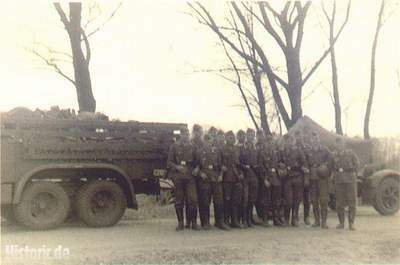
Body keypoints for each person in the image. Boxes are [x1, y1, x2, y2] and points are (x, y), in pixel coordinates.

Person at [195, 129, 230, 230]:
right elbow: (195, 166)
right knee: (205, 201)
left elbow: (221, 165)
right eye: (206, 141)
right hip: (205, 179)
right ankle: (205, 222)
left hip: (216, 178)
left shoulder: (217, 151)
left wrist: (221, 175)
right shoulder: (199, 152)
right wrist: (200, 173)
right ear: (204, 141)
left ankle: (219, 221)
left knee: (219, 201)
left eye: (210, 141)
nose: (208, 143)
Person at [167, 128, 199, 231]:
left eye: (187, 134)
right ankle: (180, 222)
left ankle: (193, 222)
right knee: (179, 200)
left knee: (192, 200)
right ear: (181, 135)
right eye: (184, 134)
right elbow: (169, 162)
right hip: (178, 176)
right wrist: (177, 167)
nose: (186, 136)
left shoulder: (193, 147)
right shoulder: (174, 147)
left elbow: (198, 162)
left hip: (190, 176)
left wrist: (197, 169)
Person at [330, 137, 359, 231]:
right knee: (339, 203)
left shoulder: (350, 153)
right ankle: (341, 222)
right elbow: (331, 167)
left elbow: (357, 165)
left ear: (344, 144)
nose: (339, 146)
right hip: (339, 181)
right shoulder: (334, 155)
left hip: (350, 180)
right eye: (337, 144)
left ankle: (351, 223)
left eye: (340, 144)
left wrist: (354, 175)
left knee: (352, 202)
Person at [308, 131, 332, 229]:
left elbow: (331, 161)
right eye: (313, 140)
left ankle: (324, 222)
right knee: (314, 200)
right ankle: (317, 221)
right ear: (311, 141)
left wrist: (327, 170)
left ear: (319, 140)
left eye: (316, 139)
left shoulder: (325, 150)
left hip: (322, 177)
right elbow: (304, 162)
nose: (315, 141)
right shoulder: (308, 151)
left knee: (323, 200)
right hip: (312, 177)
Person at [281, 134, 306, 227]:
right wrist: (282, 167)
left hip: (297, 177)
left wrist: (298, 166)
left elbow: (304, 162)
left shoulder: (298, 151)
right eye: (287, 141)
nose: (289, 143)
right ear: (285, 142)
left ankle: (294, 218)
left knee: (297, 199)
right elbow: (279, 162)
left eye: (291, 141)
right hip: (287, 178)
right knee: (288, 200)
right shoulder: (282, 152)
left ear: (293, 141)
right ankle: (286, 218)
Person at [221, 131, 243, 228]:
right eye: (229, 137)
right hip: (226, 178)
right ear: (226, 138)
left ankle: (234, 220)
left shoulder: (237, 149)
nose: (231, 139)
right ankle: (226, 220)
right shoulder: (222, 149)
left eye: (232, 137)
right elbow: (218, 162)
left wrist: (241, 173)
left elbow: (240, 163)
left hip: (236, 177)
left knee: (236, 200)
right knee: (227, 200)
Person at [239, 128, 260, 228]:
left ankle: (249, 218)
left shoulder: (256, 149)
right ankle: (243, 219)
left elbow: (259, 162)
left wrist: (256, 167)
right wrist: (244, 168)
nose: (251, 137)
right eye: (249, 135)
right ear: (246, 136)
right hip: (245, 176)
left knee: (252, 199)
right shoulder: (241, 148)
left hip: (254, 176)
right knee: (245, 199)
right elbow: (237, 162)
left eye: (252, 135)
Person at [294, 131, 311, 225]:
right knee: (297, 197)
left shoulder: (307, 148)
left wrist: (307, 173)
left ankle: (306, 216)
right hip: (298, 174)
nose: (298, 138)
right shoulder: (293, 148)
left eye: (299, 136)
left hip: (306, 175)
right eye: (296, 136)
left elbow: (310, 161)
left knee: (306, 197)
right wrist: (301, 167)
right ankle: (295, 217)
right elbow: (292, 161)